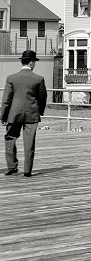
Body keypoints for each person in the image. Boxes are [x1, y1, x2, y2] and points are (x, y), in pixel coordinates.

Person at [3, 50, 47, 178]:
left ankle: (12, 167)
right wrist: (40, 112)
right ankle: (27, 170)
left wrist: (4, 116)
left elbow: (6, 99)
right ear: (32, 63)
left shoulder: (11, 78)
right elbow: (43, 97)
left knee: (10, 138)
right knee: (29, 142)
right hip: (32, 114)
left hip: (14, 113)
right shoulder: (38, 79)